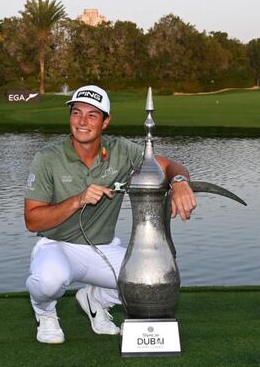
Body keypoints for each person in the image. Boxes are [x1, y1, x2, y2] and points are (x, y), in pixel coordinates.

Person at [23, 85, 196, 344]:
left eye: (92, 115)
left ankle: (95, 300)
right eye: (77, 113)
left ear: (105, 122)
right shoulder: (47, 158)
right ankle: (45, 313)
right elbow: (32, 220)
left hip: (102, 248)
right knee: (48, 281)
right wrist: (77, 200)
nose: (82, 122)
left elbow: (168, 165)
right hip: (56, 245)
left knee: (149, 278)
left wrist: (180, 181)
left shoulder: (122, 151)